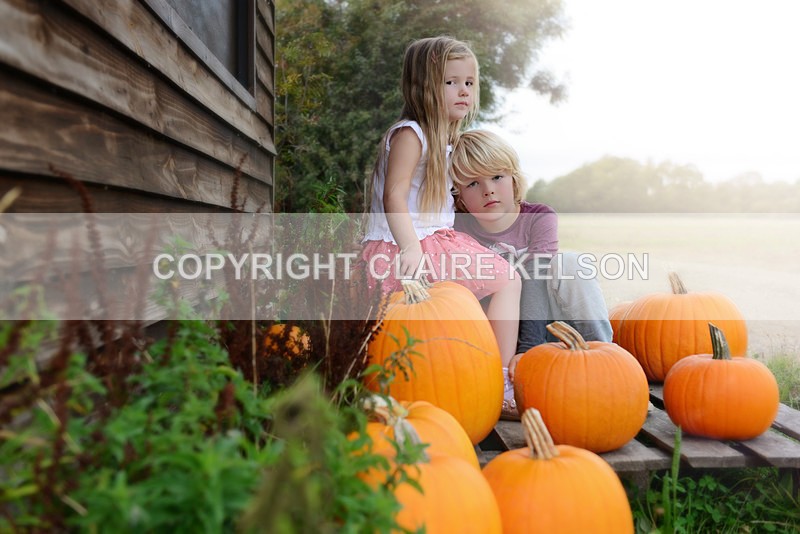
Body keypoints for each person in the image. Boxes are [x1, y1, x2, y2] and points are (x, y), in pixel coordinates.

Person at [360, 37, 522, 373]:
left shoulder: (448, 140)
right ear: (423, 87)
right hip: (405, 244)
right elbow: (394, 194)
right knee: (502, 283)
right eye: (451, 82)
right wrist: (410, 249)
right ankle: (497, 372)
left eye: (469, 83)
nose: (463, 91)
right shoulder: (411, 134)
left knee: (498, 285)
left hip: (435, 241)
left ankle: (492, 372)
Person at [450, 129, 613, 418]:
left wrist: (529, 350)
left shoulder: (538, 217)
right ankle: (503, 384)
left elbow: (535, 279)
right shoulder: (459, 231)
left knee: (571, 264)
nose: (488, 190)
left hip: (544, 334)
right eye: (473, 183)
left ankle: (608, 361)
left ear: (513, 178)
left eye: (497, 177)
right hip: (499, 347)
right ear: (459, 198)